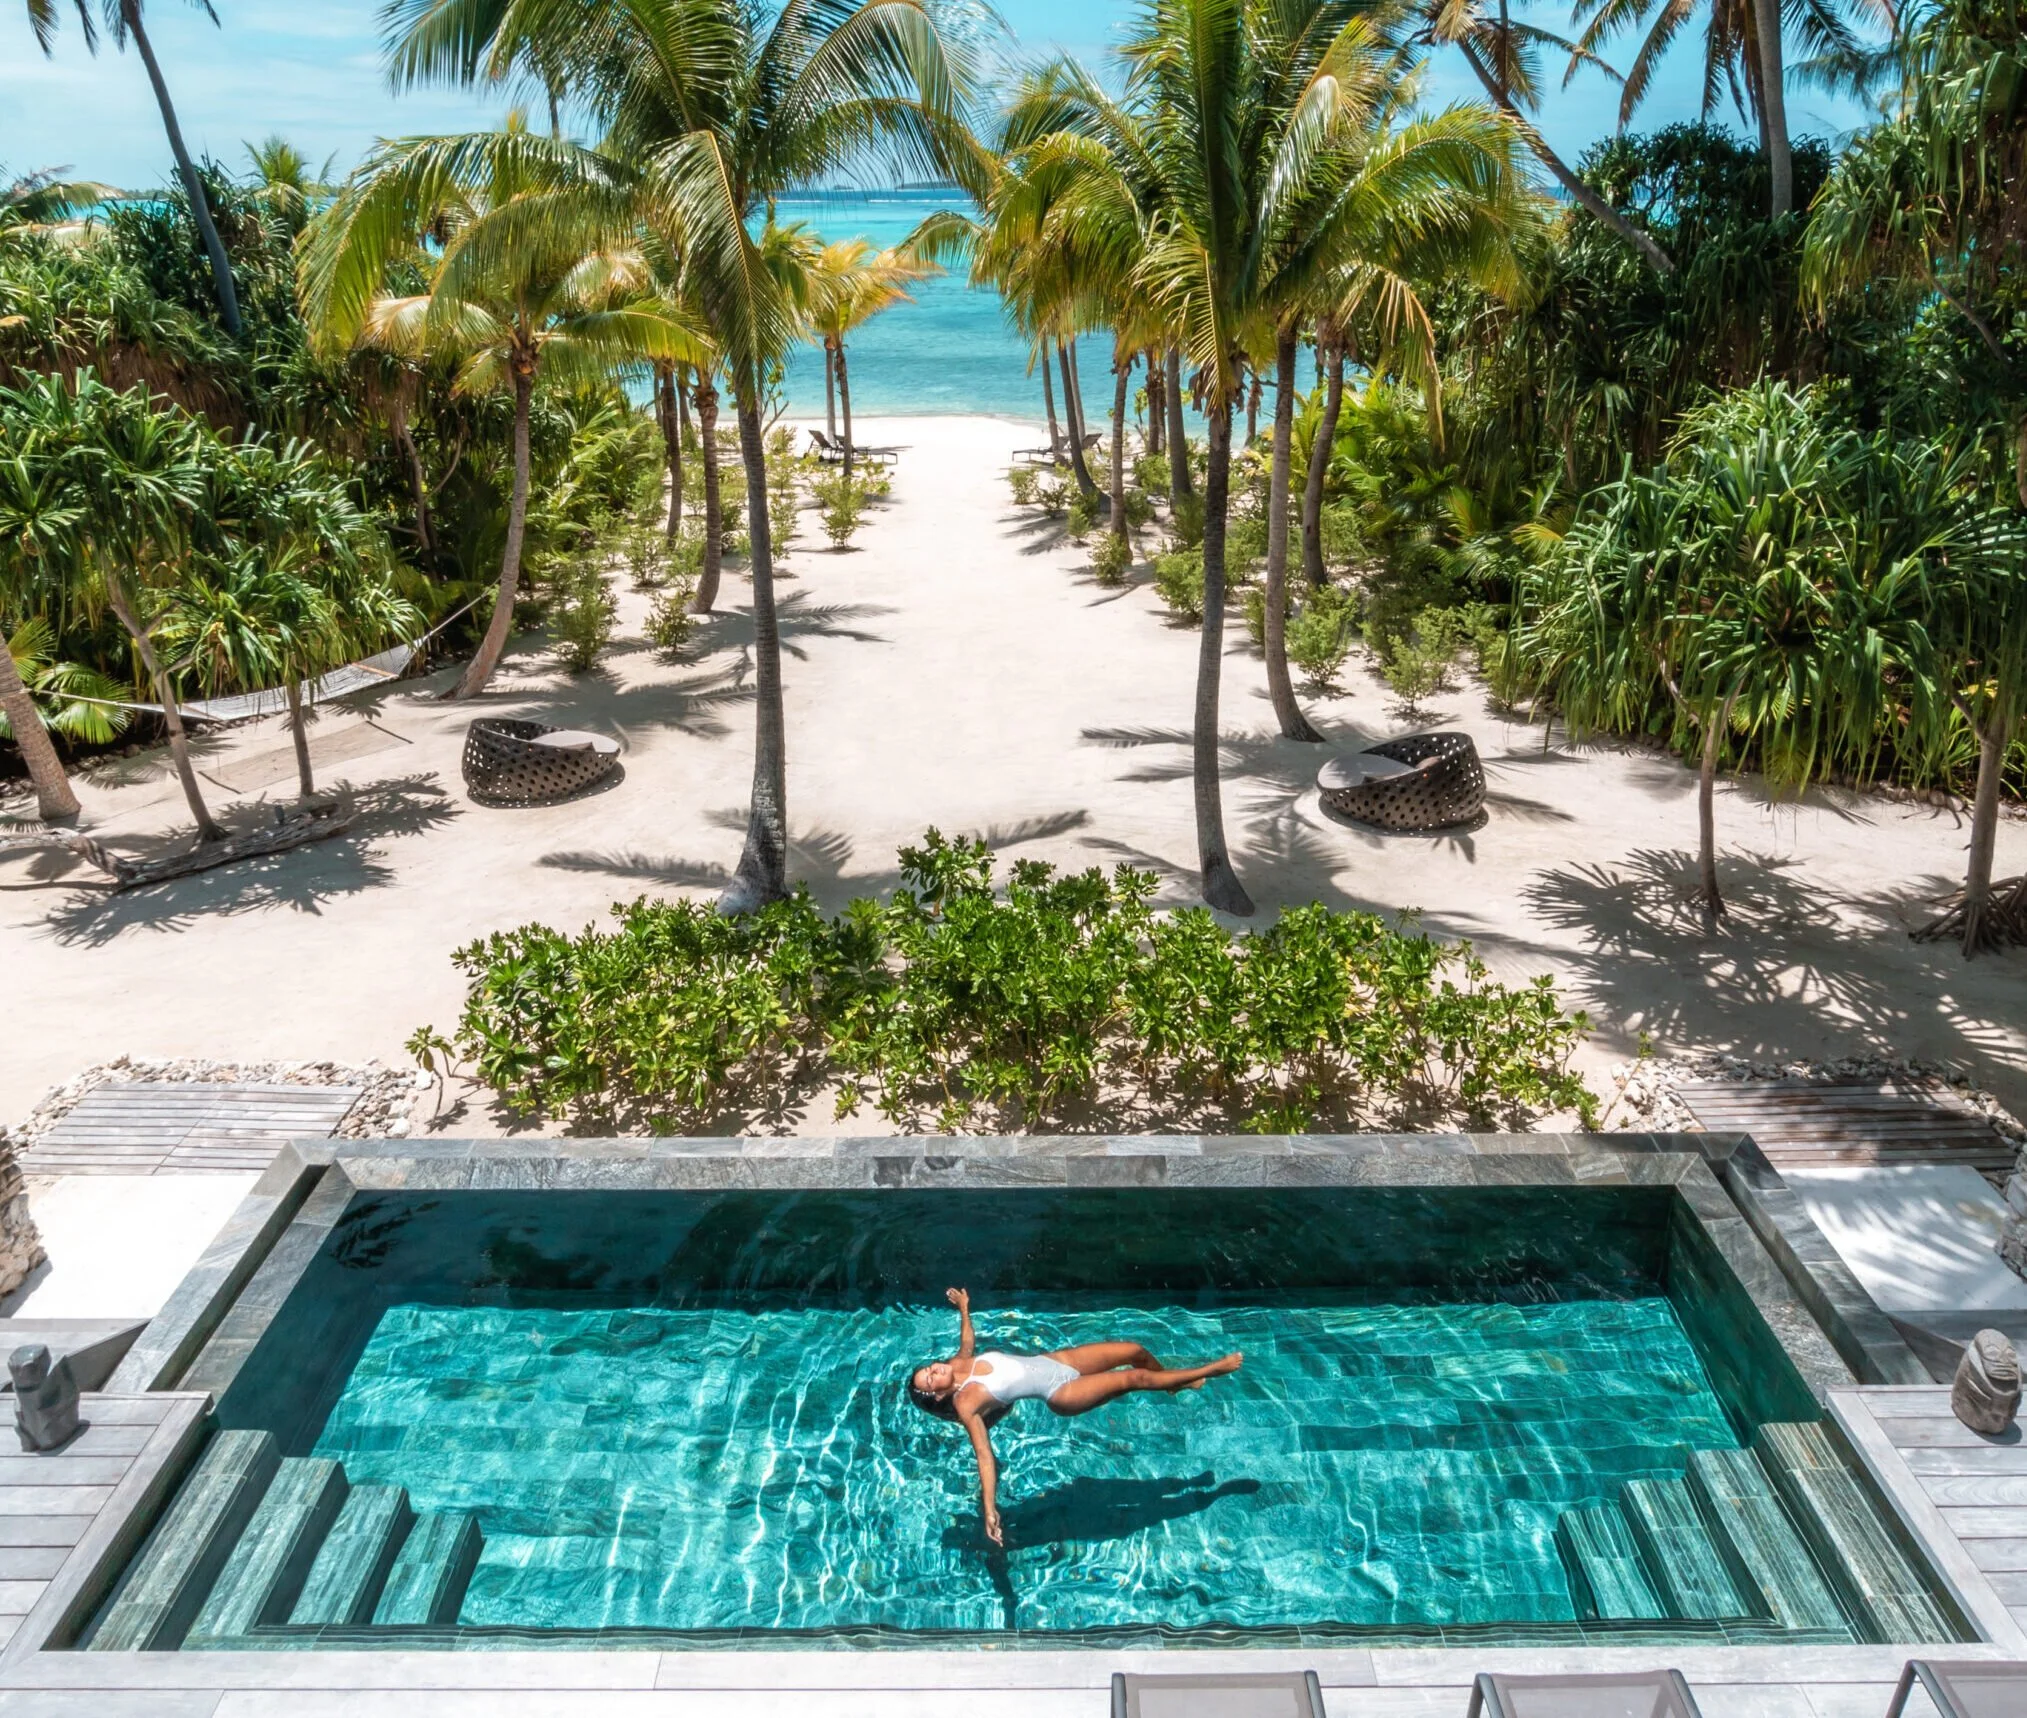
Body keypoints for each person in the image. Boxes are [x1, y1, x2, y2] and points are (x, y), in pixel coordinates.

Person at [905, 1287, 1242, 1547]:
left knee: (1134, 1351)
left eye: (928, 1369)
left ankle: (1171, 1385)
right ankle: (1210, 1370)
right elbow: (984, 1457)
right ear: (938, 1395)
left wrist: (964, 1308)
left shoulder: (957, 1363)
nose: (934, 1370)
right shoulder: (966, 1404)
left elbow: (967, 1342)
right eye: (930, 1379)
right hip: (1062, 1395)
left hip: (1060, 1361)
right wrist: (989, 1508)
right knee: (1132, 1378)